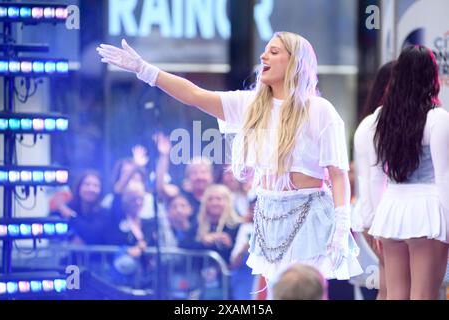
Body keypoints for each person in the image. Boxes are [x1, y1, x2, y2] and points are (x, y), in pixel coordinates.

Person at [97, 32, 362, 285]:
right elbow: (193, 95)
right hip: (270, 213)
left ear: (294, 62)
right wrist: (144, 69)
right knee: (277, 293)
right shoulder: (250, 105)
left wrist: (341, 225)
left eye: (274, 51)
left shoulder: (319, 110)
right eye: (264, 51)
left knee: (302, 291)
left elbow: (338, 174)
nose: (263, 57)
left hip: (310, 214)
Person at [366, 46, 449, 299]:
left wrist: (375, 221)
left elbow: (376, 175)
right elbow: (444, 177)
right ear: (432, 78)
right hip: (427, 212)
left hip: (391, 211)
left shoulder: (382, 117)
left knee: (395, 295)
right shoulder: (438, 118)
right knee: (424, 295)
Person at [351, 61, 395, 299]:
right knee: (397, 287)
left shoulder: (372, 124)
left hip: (376, 217)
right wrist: (376, 225)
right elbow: (371, 181)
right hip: (378, 218)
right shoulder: (374, 126)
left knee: (390, 285)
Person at [51, 170, 108, 245]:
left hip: (97, 256)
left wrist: (70, 215)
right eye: (87, 184)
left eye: (95, 186)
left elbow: (92, 236)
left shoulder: (105, 213)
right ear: (79, 187)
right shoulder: (70, 206)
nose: (91, 189)